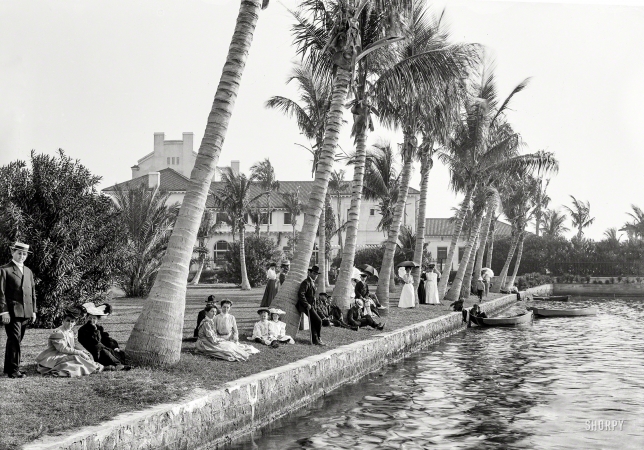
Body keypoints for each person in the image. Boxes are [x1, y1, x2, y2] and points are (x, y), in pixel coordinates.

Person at [1, 242, 37, 378]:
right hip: (12, 312)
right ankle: (14, 370)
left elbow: (32, 292)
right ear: (12, 253)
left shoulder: (28, 271)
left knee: (15, 340)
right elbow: (1, 293)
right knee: (15, 339)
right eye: (19, 253)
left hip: (26, 311)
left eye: (24, 254)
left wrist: (33, 310)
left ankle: (8, 367)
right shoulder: (5, 269)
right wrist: (3, 311)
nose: (22, 256)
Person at [36, 307, 104, 377]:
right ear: (63, 321)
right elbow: (62, 348)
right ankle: (92, 368)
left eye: (72, 322)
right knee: (76, 358)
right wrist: (80, 352)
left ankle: (92, 367)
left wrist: (84, 351)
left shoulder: (71, 331)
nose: (70, 324)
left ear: (75, 323)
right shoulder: (58, 332)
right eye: (67, 321)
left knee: (82, 358)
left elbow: (75, 344)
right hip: (55, 356)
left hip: (66, 355)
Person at [77, 302, 130, 370]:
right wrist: (94, 330)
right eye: (90, 318)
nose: (91, 320)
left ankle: (117, 364)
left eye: (94, 318)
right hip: (91, 349)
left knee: (116, 352)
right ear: (86, 318)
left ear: (97, 320)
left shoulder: (98, 328)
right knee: (104, 351)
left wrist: (114, 346)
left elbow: (105, 338)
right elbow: (92, 341)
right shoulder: (83, 329)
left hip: (100, 347)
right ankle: (117, 364)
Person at [297, 265, 325, 345]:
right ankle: (319, 337)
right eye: (314, 273)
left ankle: (315, 339)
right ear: (310, 273)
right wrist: (306, 304)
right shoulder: (306, 282)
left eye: (316, 274)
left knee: (313, 321)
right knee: (319, 320)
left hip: (312, 306)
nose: (315, 275)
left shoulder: (312, 282)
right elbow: (301, 294)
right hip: (306, 306)